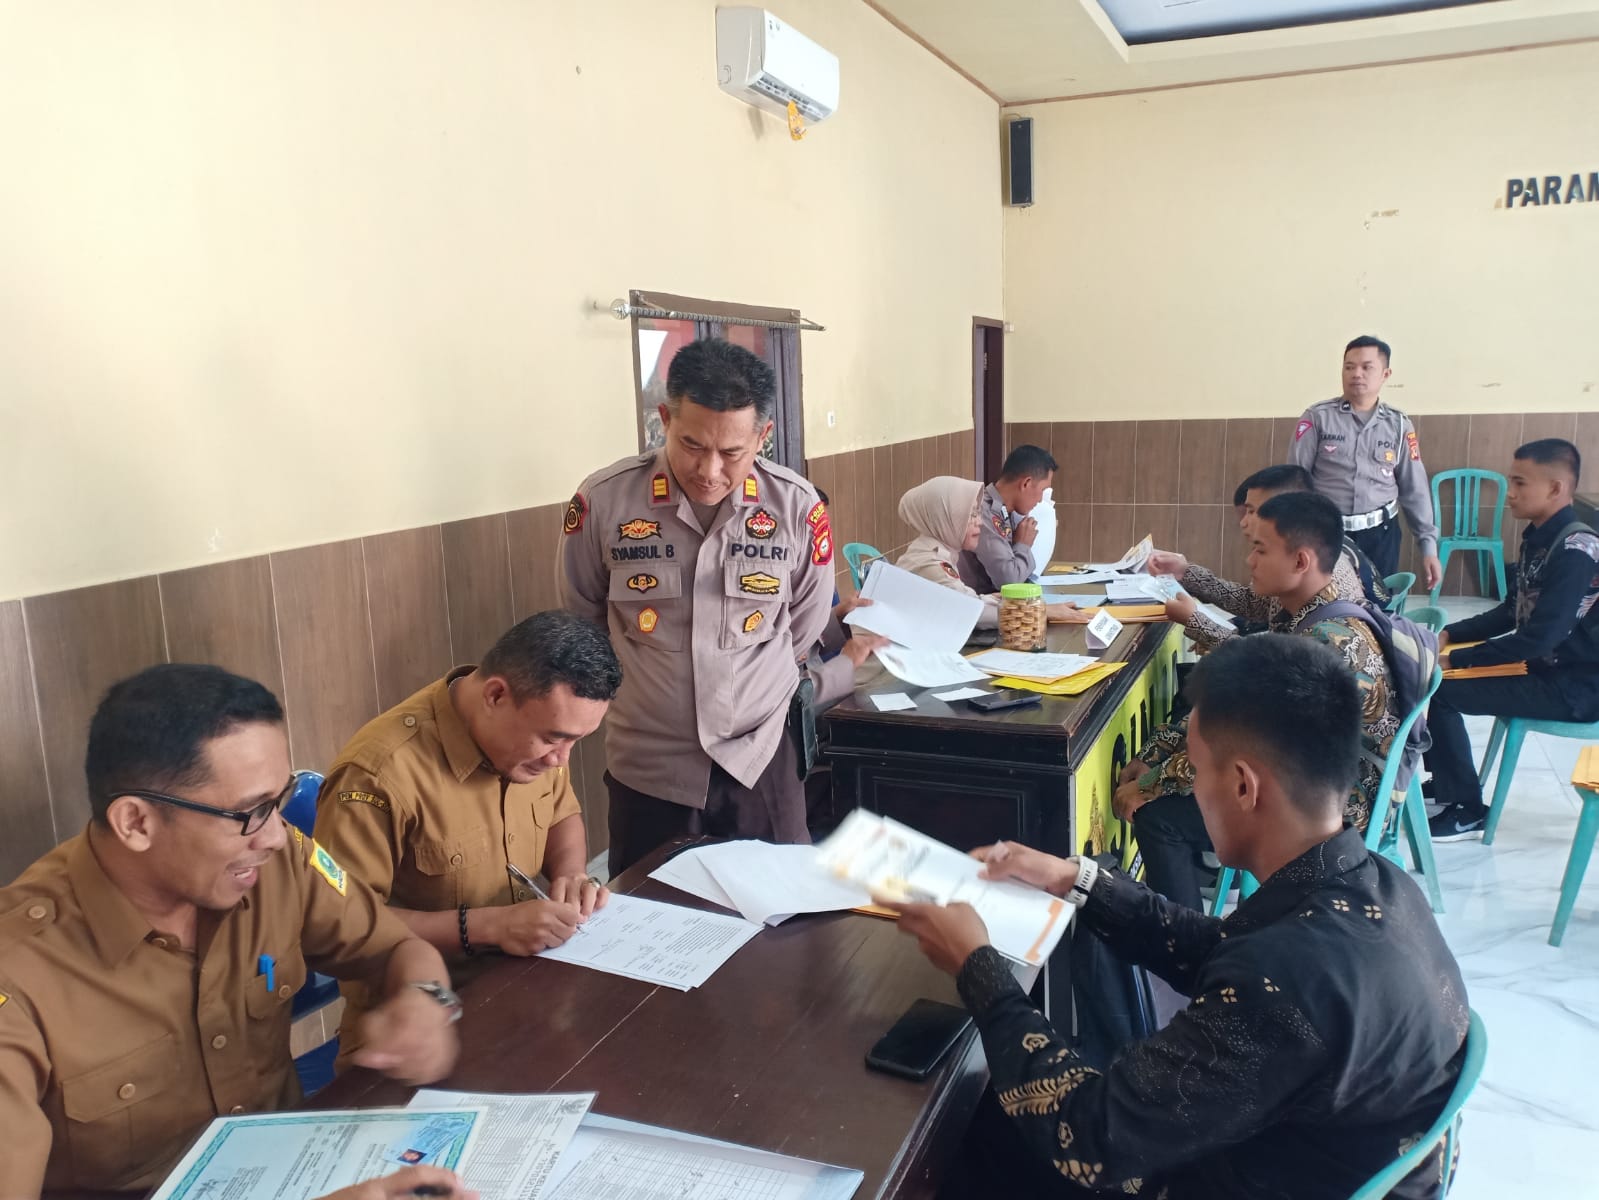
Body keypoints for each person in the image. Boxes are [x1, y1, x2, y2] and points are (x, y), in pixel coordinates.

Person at [889, 634, 1468, 1200]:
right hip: (1314, 1151)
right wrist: (1074, 879)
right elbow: (1221, 948)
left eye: (1195, 769)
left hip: (1256, 1176)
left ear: (1243, 785)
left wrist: (978, 968)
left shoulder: (1284, 981)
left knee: (969, 1134)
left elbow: (1087, 1138)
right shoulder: (1373, 883)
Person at [0, 665, 460, 1196]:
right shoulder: (21, 977)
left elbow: (395, 946)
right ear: (136, 823)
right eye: (250, 812)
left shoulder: (271, 866)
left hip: (302, 1170)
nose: (276, 837)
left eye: (279, 801)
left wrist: (425, 1000)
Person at [560, 338, 833, 876]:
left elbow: (804, 626)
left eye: (732, 453)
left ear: (762, 437)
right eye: (691, 444)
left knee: (778, 913)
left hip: (761, 760)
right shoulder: (606, 502)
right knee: (649, 915)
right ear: (664, 420)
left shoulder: (796, 508)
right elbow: (582, 622)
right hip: (650, 768)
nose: (709, 470)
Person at [313, 610, 621, 1052]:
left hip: (530, 994)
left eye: (577, 741)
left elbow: (560, 812)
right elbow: (337, 924)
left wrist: (570, 874)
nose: (561, 759)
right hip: (417, 1033)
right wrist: (488, 926)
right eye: (554, 739)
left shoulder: (535, 742)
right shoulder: (379, 775)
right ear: (496, 695)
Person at [1122, 492, 1400, 909]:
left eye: (1260, 550)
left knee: (1159, 817)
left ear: (1300, 561)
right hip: (1307, 776)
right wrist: (1155, 753)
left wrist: (1151, 785)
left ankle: (1187, 940)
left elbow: (1253, 744)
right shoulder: (1301, 609)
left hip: (1337, 805)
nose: (1250, 561)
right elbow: (1236, 708)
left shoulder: (1328, 644)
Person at [1428, 438, 1599, 840]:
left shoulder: (1576, 550)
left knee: (1441, 691)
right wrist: (1449, 635)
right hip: (1546, 671)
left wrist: (1456, 659)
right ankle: (1448, 783)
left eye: (1520, 483)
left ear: (1555, 488)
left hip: (1577, 688)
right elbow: (1511, 611)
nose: (1510, 493)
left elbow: (1539, 639)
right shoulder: (1539, 538)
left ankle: (1467, 808)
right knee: (1432, 684)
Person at [1155, 463, 1391, 650]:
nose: (1244, 522)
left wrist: (1198, 622)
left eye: (1253, 511)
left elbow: (1265, 669)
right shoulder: (1310, 564)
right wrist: (1186, 573)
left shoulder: (1331, 629)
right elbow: (1255, 604)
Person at [1289, 335, 1441, 588]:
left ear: (1385, 374)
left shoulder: (1399, 425)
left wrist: (1428, 547)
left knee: (1378, 604)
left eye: (1366, 367)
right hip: (1327, 533)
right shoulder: (1317, 417)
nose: (1356, 374)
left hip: (1381, 535)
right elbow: (1296, 480)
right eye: (1349, 367)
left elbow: (1415, 489)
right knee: (1325, 601)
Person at [896, 476, 1088, 629]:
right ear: (943, 518)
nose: (979, 522)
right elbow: (971, 612)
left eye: (978, 513)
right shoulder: (930, 562)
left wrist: (995, 600)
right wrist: (1039, 611)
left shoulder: (937, 551)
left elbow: (960, 599)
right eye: (970, 515)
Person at [957, 444, 1057, 593]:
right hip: (979, 602)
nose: (1040, 499)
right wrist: (1023, 544)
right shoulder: (983, 512)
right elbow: (1009, 582)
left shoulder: (1006, 511)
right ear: (1026, 483)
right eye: (1042, 490)